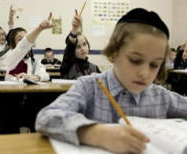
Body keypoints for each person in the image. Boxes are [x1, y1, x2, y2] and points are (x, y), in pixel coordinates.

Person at [35, 8, 187, 154]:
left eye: (154, 65)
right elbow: (47, 117)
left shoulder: (161, 97)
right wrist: (97, 134)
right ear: (113, 54)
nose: (145, 73)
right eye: (135, 60)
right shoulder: (90, 87)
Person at [60, 10, 100, 79]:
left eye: (84, 44)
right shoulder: (68, 65)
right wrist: (74, 29)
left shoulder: (95, 68)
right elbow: (70, 45)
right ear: (73, 50)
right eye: (78, 47)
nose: (82, 48)